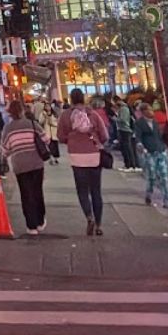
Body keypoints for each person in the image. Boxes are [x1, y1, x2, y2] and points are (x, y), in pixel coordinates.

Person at [56, 89, 109, 236]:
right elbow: (104, 135)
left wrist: (71, 140)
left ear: (71, 100)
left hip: (76, 156)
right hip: (94, 155)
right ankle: (99, 225)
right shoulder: (93, 114)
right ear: (83, 99)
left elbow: (60, 136)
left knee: (82, 190)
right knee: (96, 191)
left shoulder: (66, 115)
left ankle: (89, 217)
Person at [0, 99, 47, 234]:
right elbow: (46, 139)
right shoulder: (32, 124)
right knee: (37, 191)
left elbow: (5, 149)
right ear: (23, 110)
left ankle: (31, 226)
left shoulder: (8, 129)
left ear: (10, 113)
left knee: (26, 194)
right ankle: (40, 221)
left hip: (20, 165)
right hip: (36, 163)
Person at [133, 102, 168, 208]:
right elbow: (138, 136)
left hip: (160, 150)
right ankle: (149, 193)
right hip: (149, 152)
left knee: (164, 176)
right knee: (152, 176)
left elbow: (160, 136)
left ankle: (167, 200)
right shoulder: (139, 123)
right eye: (148, 110)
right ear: (143, 112)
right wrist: (140, 145)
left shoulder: (155, 122)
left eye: (151, 109)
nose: (151, 111)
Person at [114, 97, 138, 170]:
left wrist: (116, 119)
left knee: (127, 148)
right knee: (126, 148)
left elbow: (123, 119)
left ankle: (130, 165)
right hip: (125, 130)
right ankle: (129, 164)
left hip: (124, 130)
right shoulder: (124, 108)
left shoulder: (123, 108)